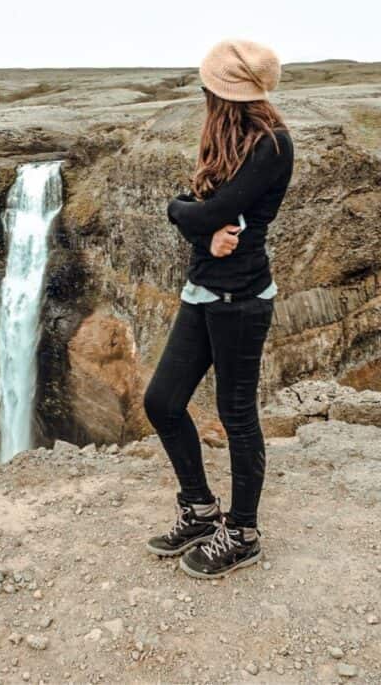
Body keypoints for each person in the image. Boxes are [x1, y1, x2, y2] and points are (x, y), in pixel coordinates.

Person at [143, 39, 294, 579]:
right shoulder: (225, 136)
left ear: (223, 92)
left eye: (209, 85)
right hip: (202, 289)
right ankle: (202, 510)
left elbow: (220, 210)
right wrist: (198, 224)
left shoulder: (272, 144)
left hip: (243, 300)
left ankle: (244, 531)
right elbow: (202, 214)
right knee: (161, 402)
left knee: (236, 416)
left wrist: (193, 215)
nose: (204, 91)